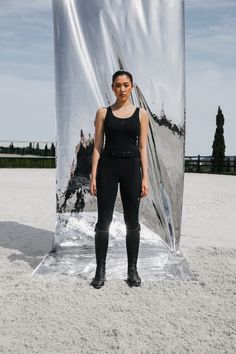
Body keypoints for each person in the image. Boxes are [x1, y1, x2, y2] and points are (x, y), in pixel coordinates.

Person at [89, 70, 149, 289]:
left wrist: (145, 177)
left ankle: (132, 270)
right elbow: (97, 146)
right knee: (103, 222)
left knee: (132, 223)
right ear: (112, 87)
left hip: (131, 168)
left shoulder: (141, 114)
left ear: (132, 86)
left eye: (125, 85)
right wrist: (93, 175)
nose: (122, 89)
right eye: (117, 85)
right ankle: (100, 270)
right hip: (108, 168)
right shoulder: (103, 113)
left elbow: (142, 147)